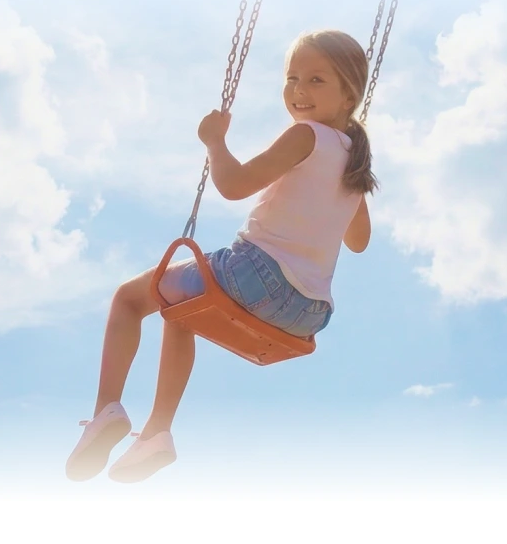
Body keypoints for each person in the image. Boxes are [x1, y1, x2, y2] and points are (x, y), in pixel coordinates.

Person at [65, 29, 378, 483]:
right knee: (180, 311)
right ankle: (156, 432)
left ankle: (105, 412)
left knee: (128, 299)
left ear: (349, 94)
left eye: (316, 80)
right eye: (292, 78)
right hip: (308, 314)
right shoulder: (353, 163)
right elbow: (359, 240)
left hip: (255, 275)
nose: (298, 91)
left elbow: (233, 185)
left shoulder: (305, 135)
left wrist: (214, 141)